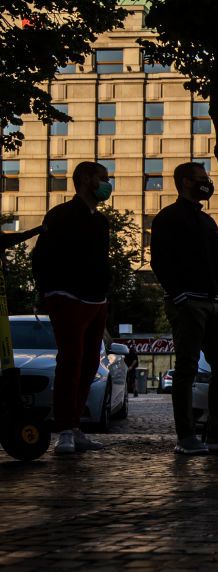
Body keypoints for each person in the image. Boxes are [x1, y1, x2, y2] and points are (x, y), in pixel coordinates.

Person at [150, 162, 218, 455]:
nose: (207, 183)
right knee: (187, 368)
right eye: (201, 179)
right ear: (185, 182)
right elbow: (161, 262)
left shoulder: (207, 222)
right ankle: (186, 436)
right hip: (190, 304)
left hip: (215, 304)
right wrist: (180, 297)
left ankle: (217, 432)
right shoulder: (168, 219)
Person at [31, 161, 112, 455]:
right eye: (103, 178)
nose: (107, 183)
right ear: (86, 180)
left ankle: (74, 427)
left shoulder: (101, 222)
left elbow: (101, 262)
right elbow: (41, 257)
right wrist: (49, 291)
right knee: (71, 362)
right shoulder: (61, 215)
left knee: (89, 363)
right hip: (67, 296)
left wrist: (104, 297)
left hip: (96, 299)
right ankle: (64, 429)